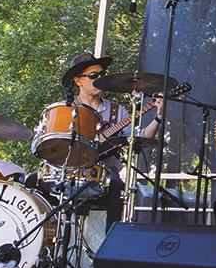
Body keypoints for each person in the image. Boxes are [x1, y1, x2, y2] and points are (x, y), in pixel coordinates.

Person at [60, 52, 160, 229]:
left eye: (102, 75)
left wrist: (158, 117)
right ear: (78, 81)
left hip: (104, 175)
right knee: (34, 181)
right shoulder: (65, 109)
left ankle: (109, 242)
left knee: (117, 184)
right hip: (69, 170)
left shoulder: (117, 110)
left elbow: (140, 137)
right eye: (93, 76)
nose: (99, 79)